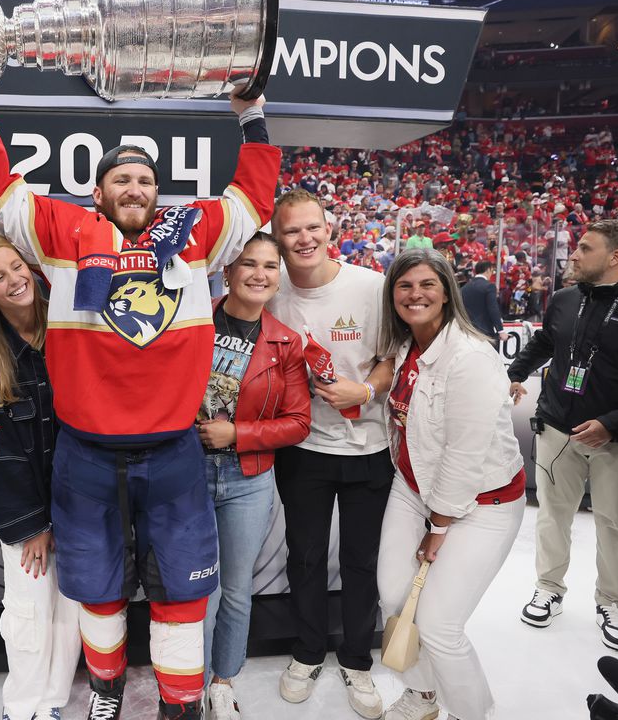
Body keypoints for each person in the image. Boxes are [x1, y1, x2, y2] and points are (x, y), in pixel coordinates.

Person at [0, 78, 279, 720]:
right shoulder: (62, 233)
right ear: (97, 193)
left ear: (158, 192)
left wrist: (254, 118)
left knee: (182, 592)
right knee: (96, 589)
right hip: (88, 451)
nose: (135, 189)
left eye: (145, 181)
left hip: (173, 448)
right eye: (121, 180)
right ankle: (105, 691)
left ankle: (180, 701)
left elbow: (251, 200)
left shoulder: (194, 236)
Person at [376, 248, 525, 720]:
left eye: (426, 285)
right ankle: (421, 696)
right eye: (404, 286)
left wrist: (438, 524)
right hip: (412, 488)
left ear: (446, 293)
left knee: (439, 624)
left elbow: (465, 454)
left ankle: (471, 712)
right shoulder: (405, 343)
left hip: (482, 503)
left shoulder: (471, 356)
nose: (415, 294)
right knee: (393, 598)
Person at [265, 189, 394, 719]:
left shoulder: (370, 285)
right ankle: (307, 652)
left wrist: (363, 393)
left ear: (329, 229)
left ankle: (359, 659)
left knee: (362, 563)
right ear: (278, 240)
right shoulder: (269, 290)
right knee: (306, 557)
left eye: (312, 227)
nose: (304, 238)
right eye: (292, 231)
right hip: (303, 449)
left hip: (369, 447)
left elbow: (390, 359)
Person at [507, 219, 618, 654]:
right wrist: (515, 373)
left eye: (585, 248)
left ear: (616, 257)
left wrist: (613, 423)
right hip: (557, 429)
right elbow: (544, 343)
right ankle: (549, 588)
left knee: (616, 525)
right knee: (553, 516)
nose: (573, 254)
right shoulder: (564, 298)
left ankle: (612, 602)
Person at [0, 235, 81, 720]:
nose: (14, 280)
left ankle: (52, 701)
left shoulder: (71, 326)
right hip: (26, 514)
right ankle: (23, 704)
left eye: (17, 267)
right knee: (28, 614)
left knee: (71, 609)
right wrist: (33, 525)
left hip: (82, 502)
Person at [197, 232, 311, 720]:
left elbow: (299, 421)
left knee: (236, 589)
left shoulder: (285, 342)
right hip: (187, 476)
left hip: (248, 479)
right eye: (249, 263)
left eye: (269, 265)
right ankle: (188, 682)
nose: (259, 273)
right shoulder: (192, 322)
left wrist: (236, 434)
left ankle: (223, 681)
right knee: (199, 589)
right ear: (227, 271)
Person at [459, 260, 507, 346]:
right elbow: (493, 308)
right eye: (492, 271)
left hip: (467, 333)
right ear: (488, 270)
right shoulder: (489, 286)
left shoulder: (464, 288)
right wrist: (501, 330)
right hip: (485, 332)